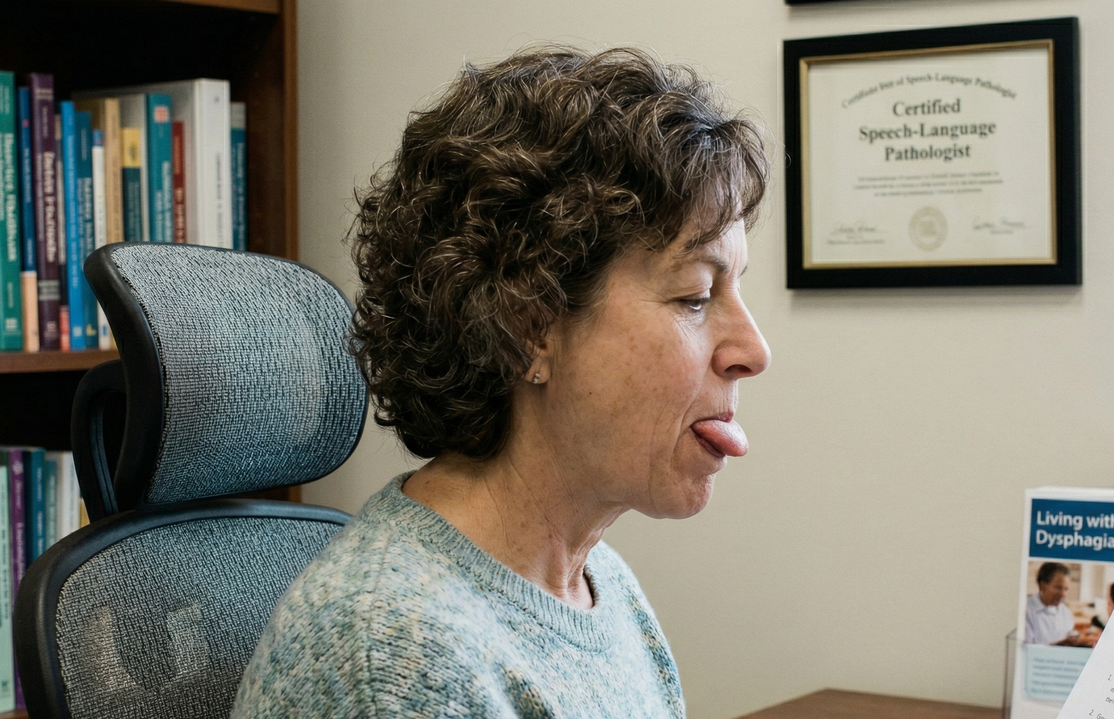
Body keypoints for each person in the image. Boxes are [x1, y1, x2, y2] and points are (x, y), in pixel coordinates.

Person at [232, 46, 770, 718]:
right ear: (528, 326)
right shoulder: (400, 658)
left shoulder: (599, 585)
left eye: (735, 288)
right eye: (695, 294)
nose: (753, 349)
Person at [1026, 562, 1086, 645]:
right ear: (1042, 585)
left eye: (1066, 589)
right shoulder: (1026, 611)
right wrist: (1059, 645)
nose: (1063, 594)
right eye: (1058, 588)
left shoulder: (1065, 613)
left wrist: (1074, 638)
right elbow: (1026, 650)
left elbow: (1067, 635)